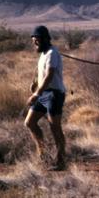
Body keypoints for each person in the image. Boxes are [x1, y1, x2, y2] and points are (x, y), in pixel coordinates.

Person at [24, 25, 67, 171]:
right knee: (29, 122)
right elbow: (41, 72)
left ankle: (61, 161)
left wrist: (36, 94)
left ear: (44, 39)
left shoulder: (52, 53)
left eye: (36, 41)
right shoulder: (43, 54)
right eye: (33, 41)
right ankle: (43, 153)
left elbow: (49, 75)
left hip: (54, 94)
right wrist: (35, 82)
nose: (34, 43)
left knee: (55, 127)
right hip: (43, 94)